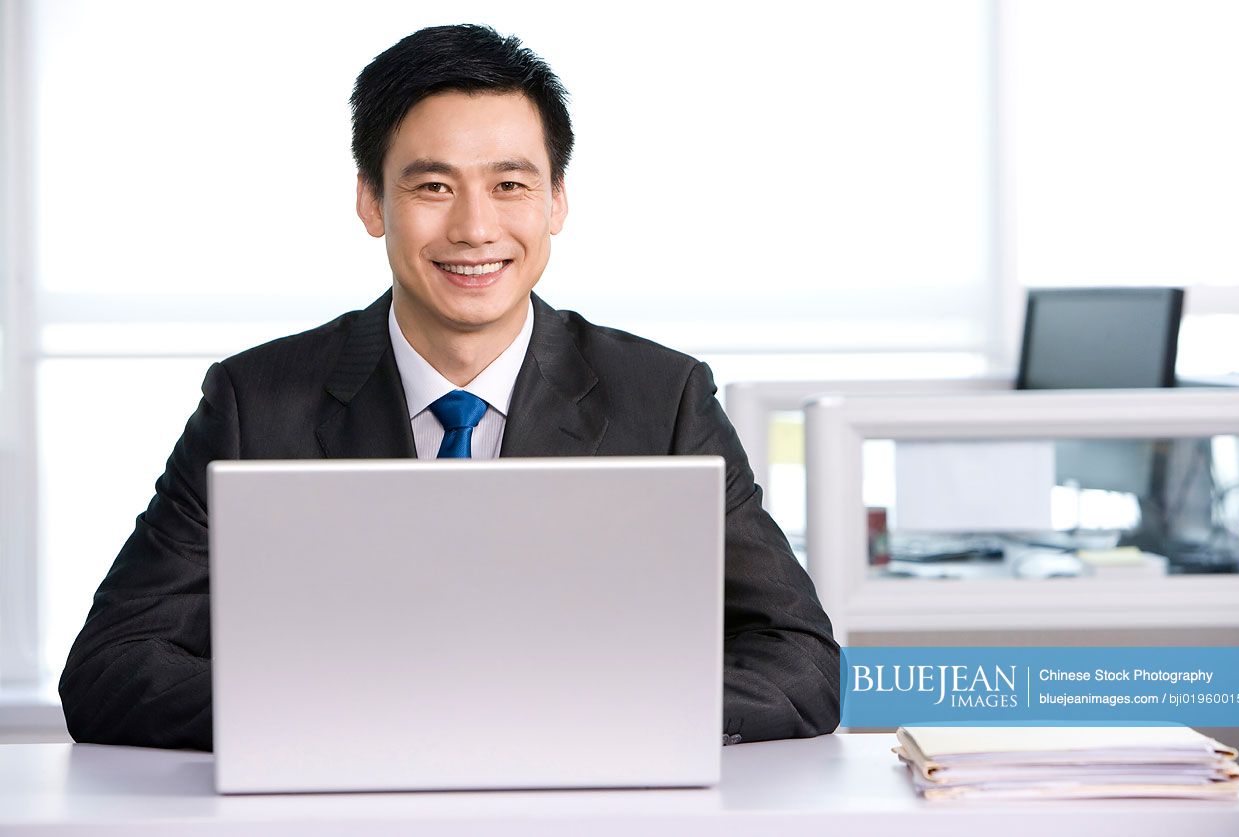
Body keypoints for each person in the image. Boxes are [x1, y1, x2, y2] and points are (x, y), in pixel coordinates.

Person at [58, 23, 841, 751]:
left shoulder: (662, 396)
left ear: (556, 200)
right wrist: (362, 715)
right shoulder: (254, 401)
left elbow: (802, 661)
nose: (473, 227)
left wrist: (593, 713)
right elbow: (111, 667)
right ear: (372, 201)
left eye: (509, 185)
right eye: (432, 187)